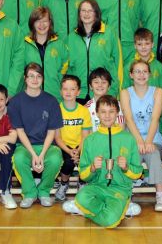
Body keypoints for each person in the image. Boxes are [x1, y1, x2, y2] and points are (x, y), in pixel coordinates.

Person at [62, 95, 143, 228]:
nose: (107, 116)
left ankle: (108, 209)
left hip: (120, 189)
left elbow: (138, 172)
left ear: (117, 113)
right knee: (81, 197)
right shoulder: (90, 140)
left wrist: (126, 168)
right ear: (97, 113)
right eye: (103, 112)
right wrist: (92, 168)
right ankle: (119, 210)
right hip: (97, 187)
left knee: (110, 222)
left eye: (111, 111)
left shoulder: (128, 139)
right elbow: (83, 174)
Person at [8, 63, 63, 208]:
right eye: (31, 76)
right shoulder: (15, 102)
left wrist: (42, 154)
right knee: (19, 158)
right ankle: (30, 193)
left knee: (56, 158)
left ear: (43, 79)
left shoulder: (51, 101)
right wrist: (33, 154)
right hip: (25, 146)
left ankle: (44, 192)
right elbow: (19, 131)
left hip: (47, 146)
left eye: (38, 76)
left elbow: (52, 132)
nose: (35, 79)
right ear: (25, 79)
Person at [120, 60, 162, 212]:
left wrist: (148, 142)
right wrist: (139, 141)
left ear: (149, 74)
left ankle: (161, 195)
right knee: (126, 158)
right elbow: (128, 119)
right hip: (132, 139)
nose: (141, 75)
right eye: (137, 71)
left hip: (153, 139)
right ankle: (124, 195)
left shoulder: (158, 92)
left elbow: (155, 118)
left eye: (144, 71)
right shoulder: (125, 93)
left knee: (153, 154)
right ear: (131, 75)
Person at [67, 0, 123, 103]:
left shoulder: (109, 33)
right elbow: (68, 67)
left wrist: (115, 89)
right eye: (83, 11)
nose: (86, 14)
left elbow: (118, 62)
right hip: (79, 94)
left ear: (96, 13)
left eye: (90, 11)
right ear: (79, 14)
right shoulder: (72, 37)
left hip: (104, 92)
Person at [54, 75, 92, 201]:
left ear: (78, 91)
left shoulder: (83, 111)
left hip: (81, 145)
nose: (68, 92)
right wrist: (70, 151)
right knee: (68, 162)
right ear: (61, 91)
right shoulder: (57, 110)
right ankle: (64, 184)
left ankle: (82, 184)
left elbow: (86, 136)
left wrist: (78, 150)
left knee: (85, 159)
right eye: (65, 89)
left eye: (72, 89)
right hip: (64, 146)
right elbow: (57, 137)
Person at [23, 7, 69, 101]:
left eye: (45, 21)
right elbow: (20, 69)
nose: (41, 25)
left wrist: (58, 80)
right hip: (30, 96)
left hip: (55, 95)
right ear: (32, 23)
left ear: (50, 22)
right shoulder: (24, 45)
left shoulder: (59, 44)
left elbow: (66, 64)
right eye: (38, 21)